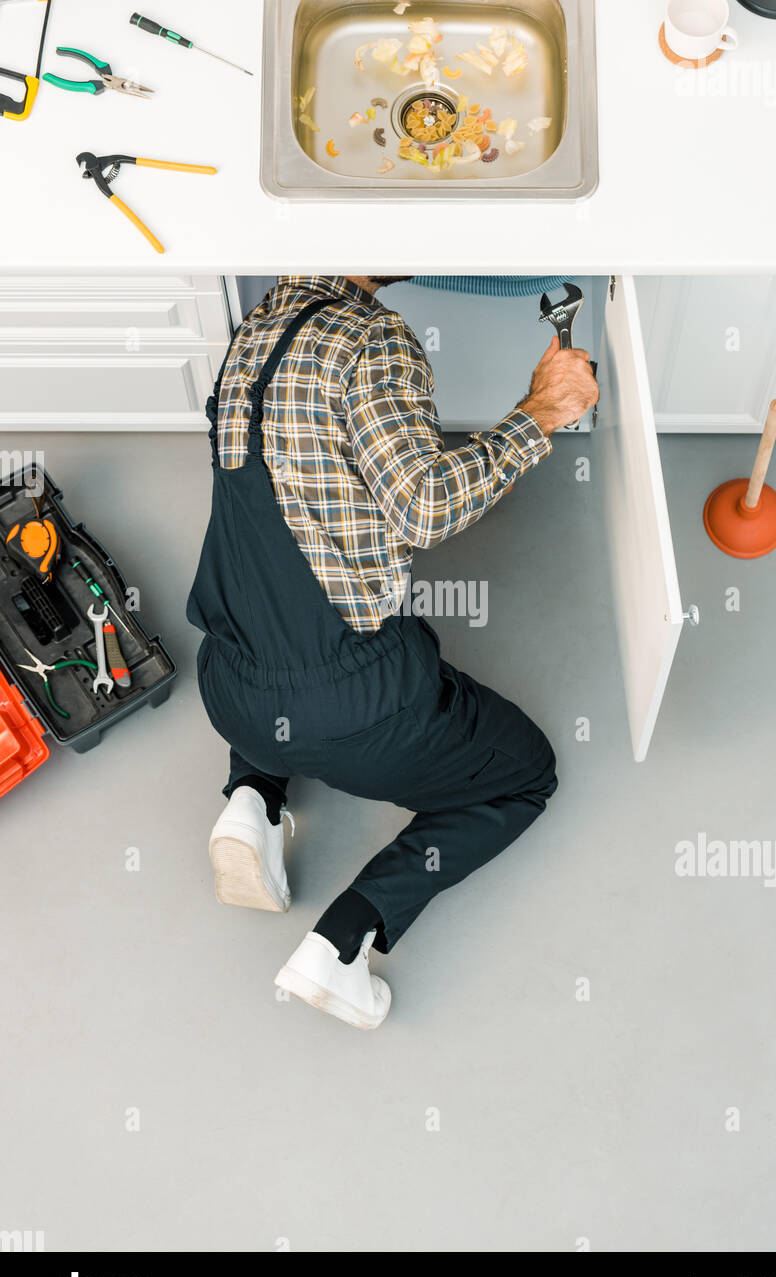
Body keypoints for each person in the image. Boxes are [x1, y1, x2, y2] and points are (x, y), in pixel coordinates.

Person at [187, 276, 599, 1030]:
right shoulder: (373, 338)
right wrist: (542, 412)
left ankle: (252, 800)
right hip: (353, 710)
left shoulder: (258, 326)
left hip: (229, 682)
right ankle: (341, 944)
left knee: (277, 663)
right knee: (522, 777)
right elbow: (424, 507)